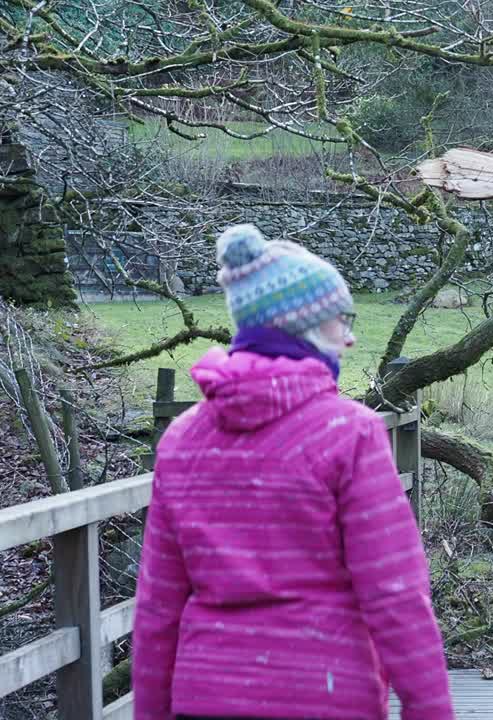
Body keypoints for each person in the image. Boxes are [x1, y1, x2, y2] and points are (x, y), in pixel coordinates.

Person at [132, 224, 454, 720]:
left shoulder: (180, 440)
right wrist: (430, 710)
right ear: (298, 327)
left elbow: (157, 610)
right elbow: (396, 596)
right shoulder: (351, 434)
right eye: (338, 321)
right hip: (325, 696)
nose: (348, 339)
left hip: (206, 697)